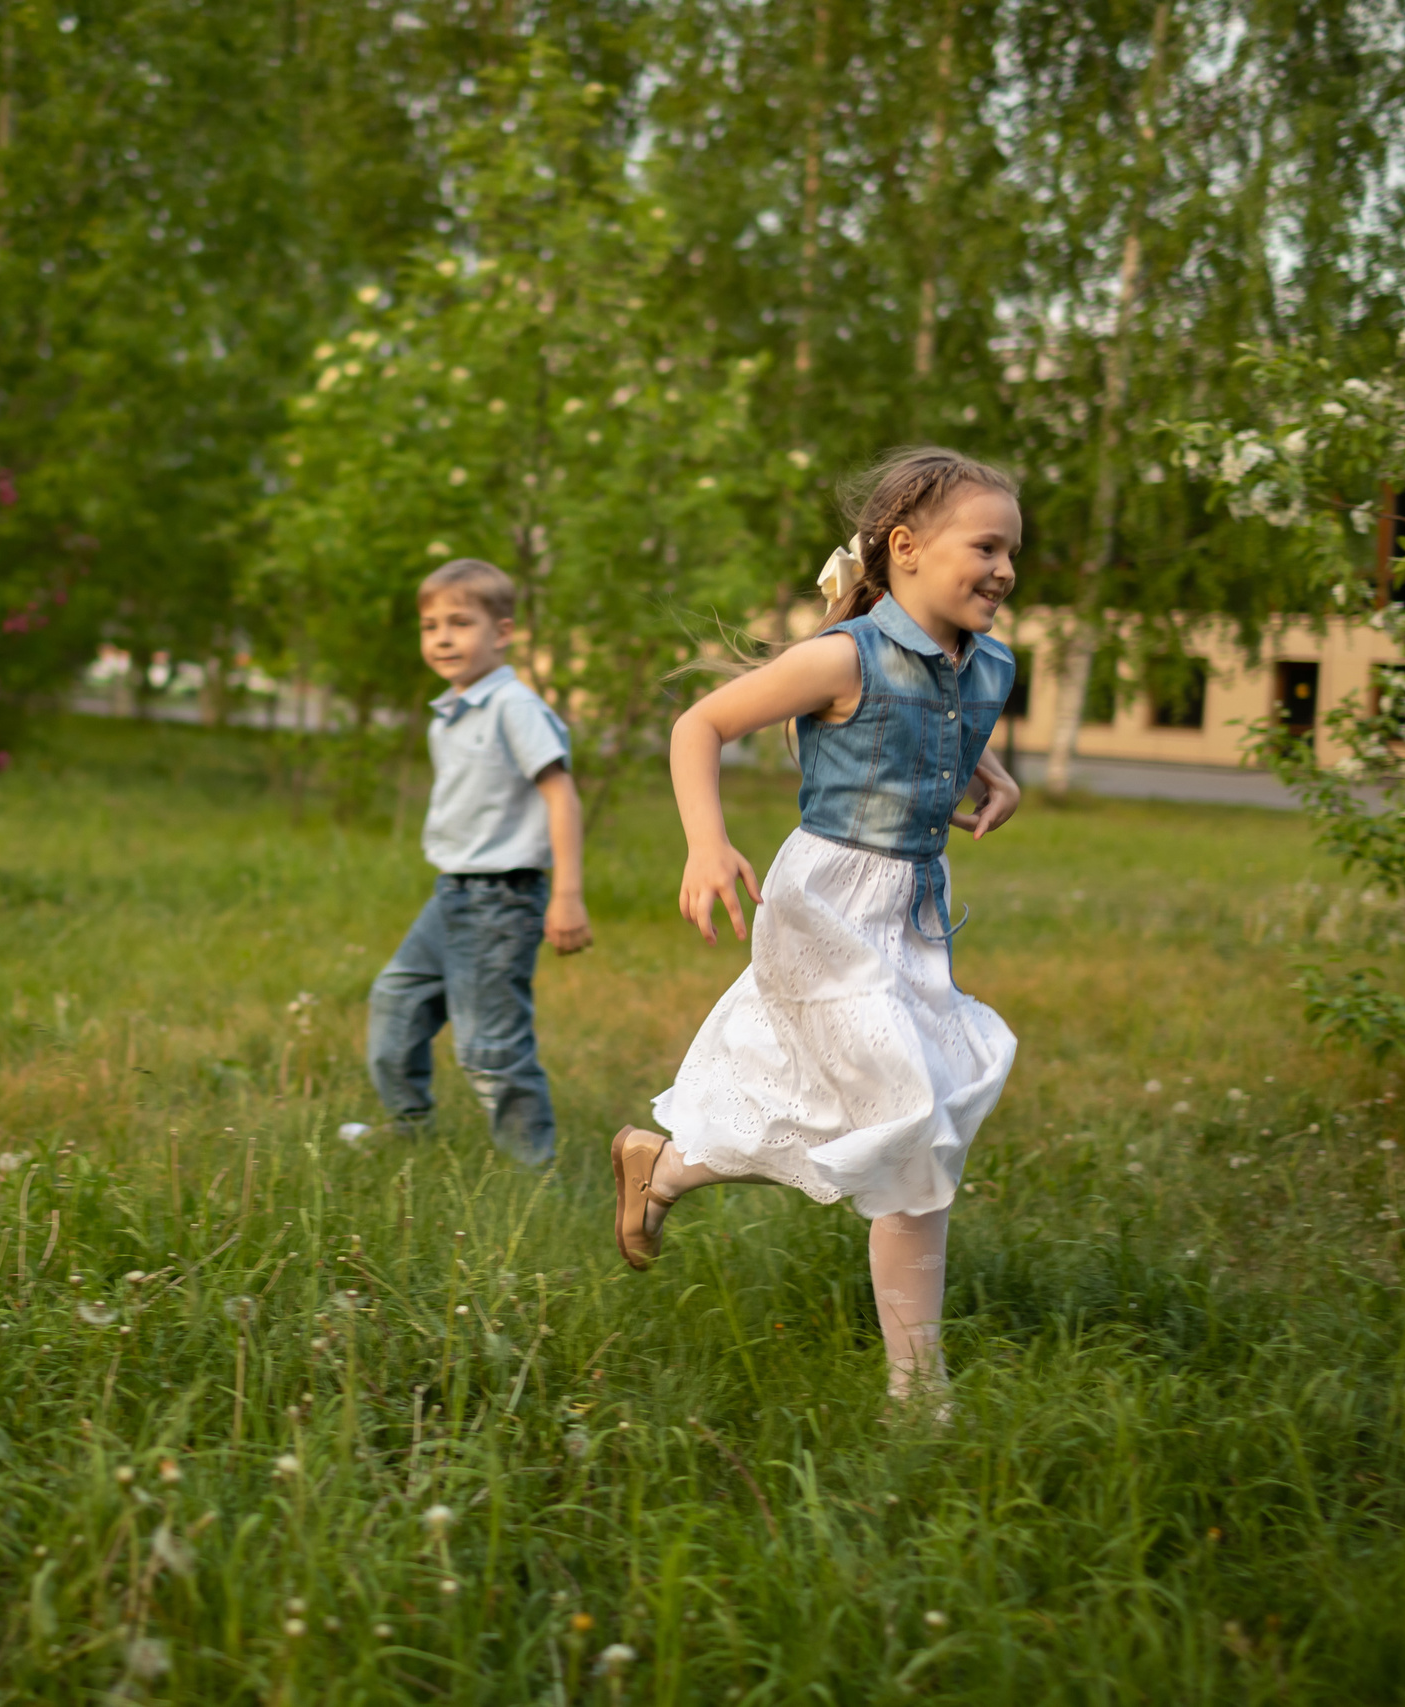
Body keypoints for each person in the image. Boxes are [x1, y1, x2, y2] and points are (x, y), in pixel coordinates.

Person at [609, 448, 1023, 1412]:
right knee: (911, 1125)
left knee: (854, 1114)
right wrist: (706, 846)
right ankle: (919, 1394)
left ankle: (657, 1164)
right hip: (826, 906)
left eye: (1013, 552)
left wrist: (988, 767)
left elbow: (949, 710)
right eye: (987, 546)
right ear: (907, 548)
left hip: (911, 919)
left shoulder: (990, 661)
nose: (1004, 569)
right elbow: (699, 727)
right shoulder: (842, 656)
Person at [346, 559, 591, 1167]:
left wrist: (566, 895)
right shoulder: (452, 712)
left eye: (460, 622)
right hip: (452, 894)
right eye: (430, 626)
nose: (443, 638)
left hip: (502, 898)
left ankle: (531, 1170)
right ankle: (407, 1127)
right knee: (395, 1002)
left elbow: (561, 796)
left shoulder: (513, 706)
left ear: (501, 632)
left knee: (489, 1045)